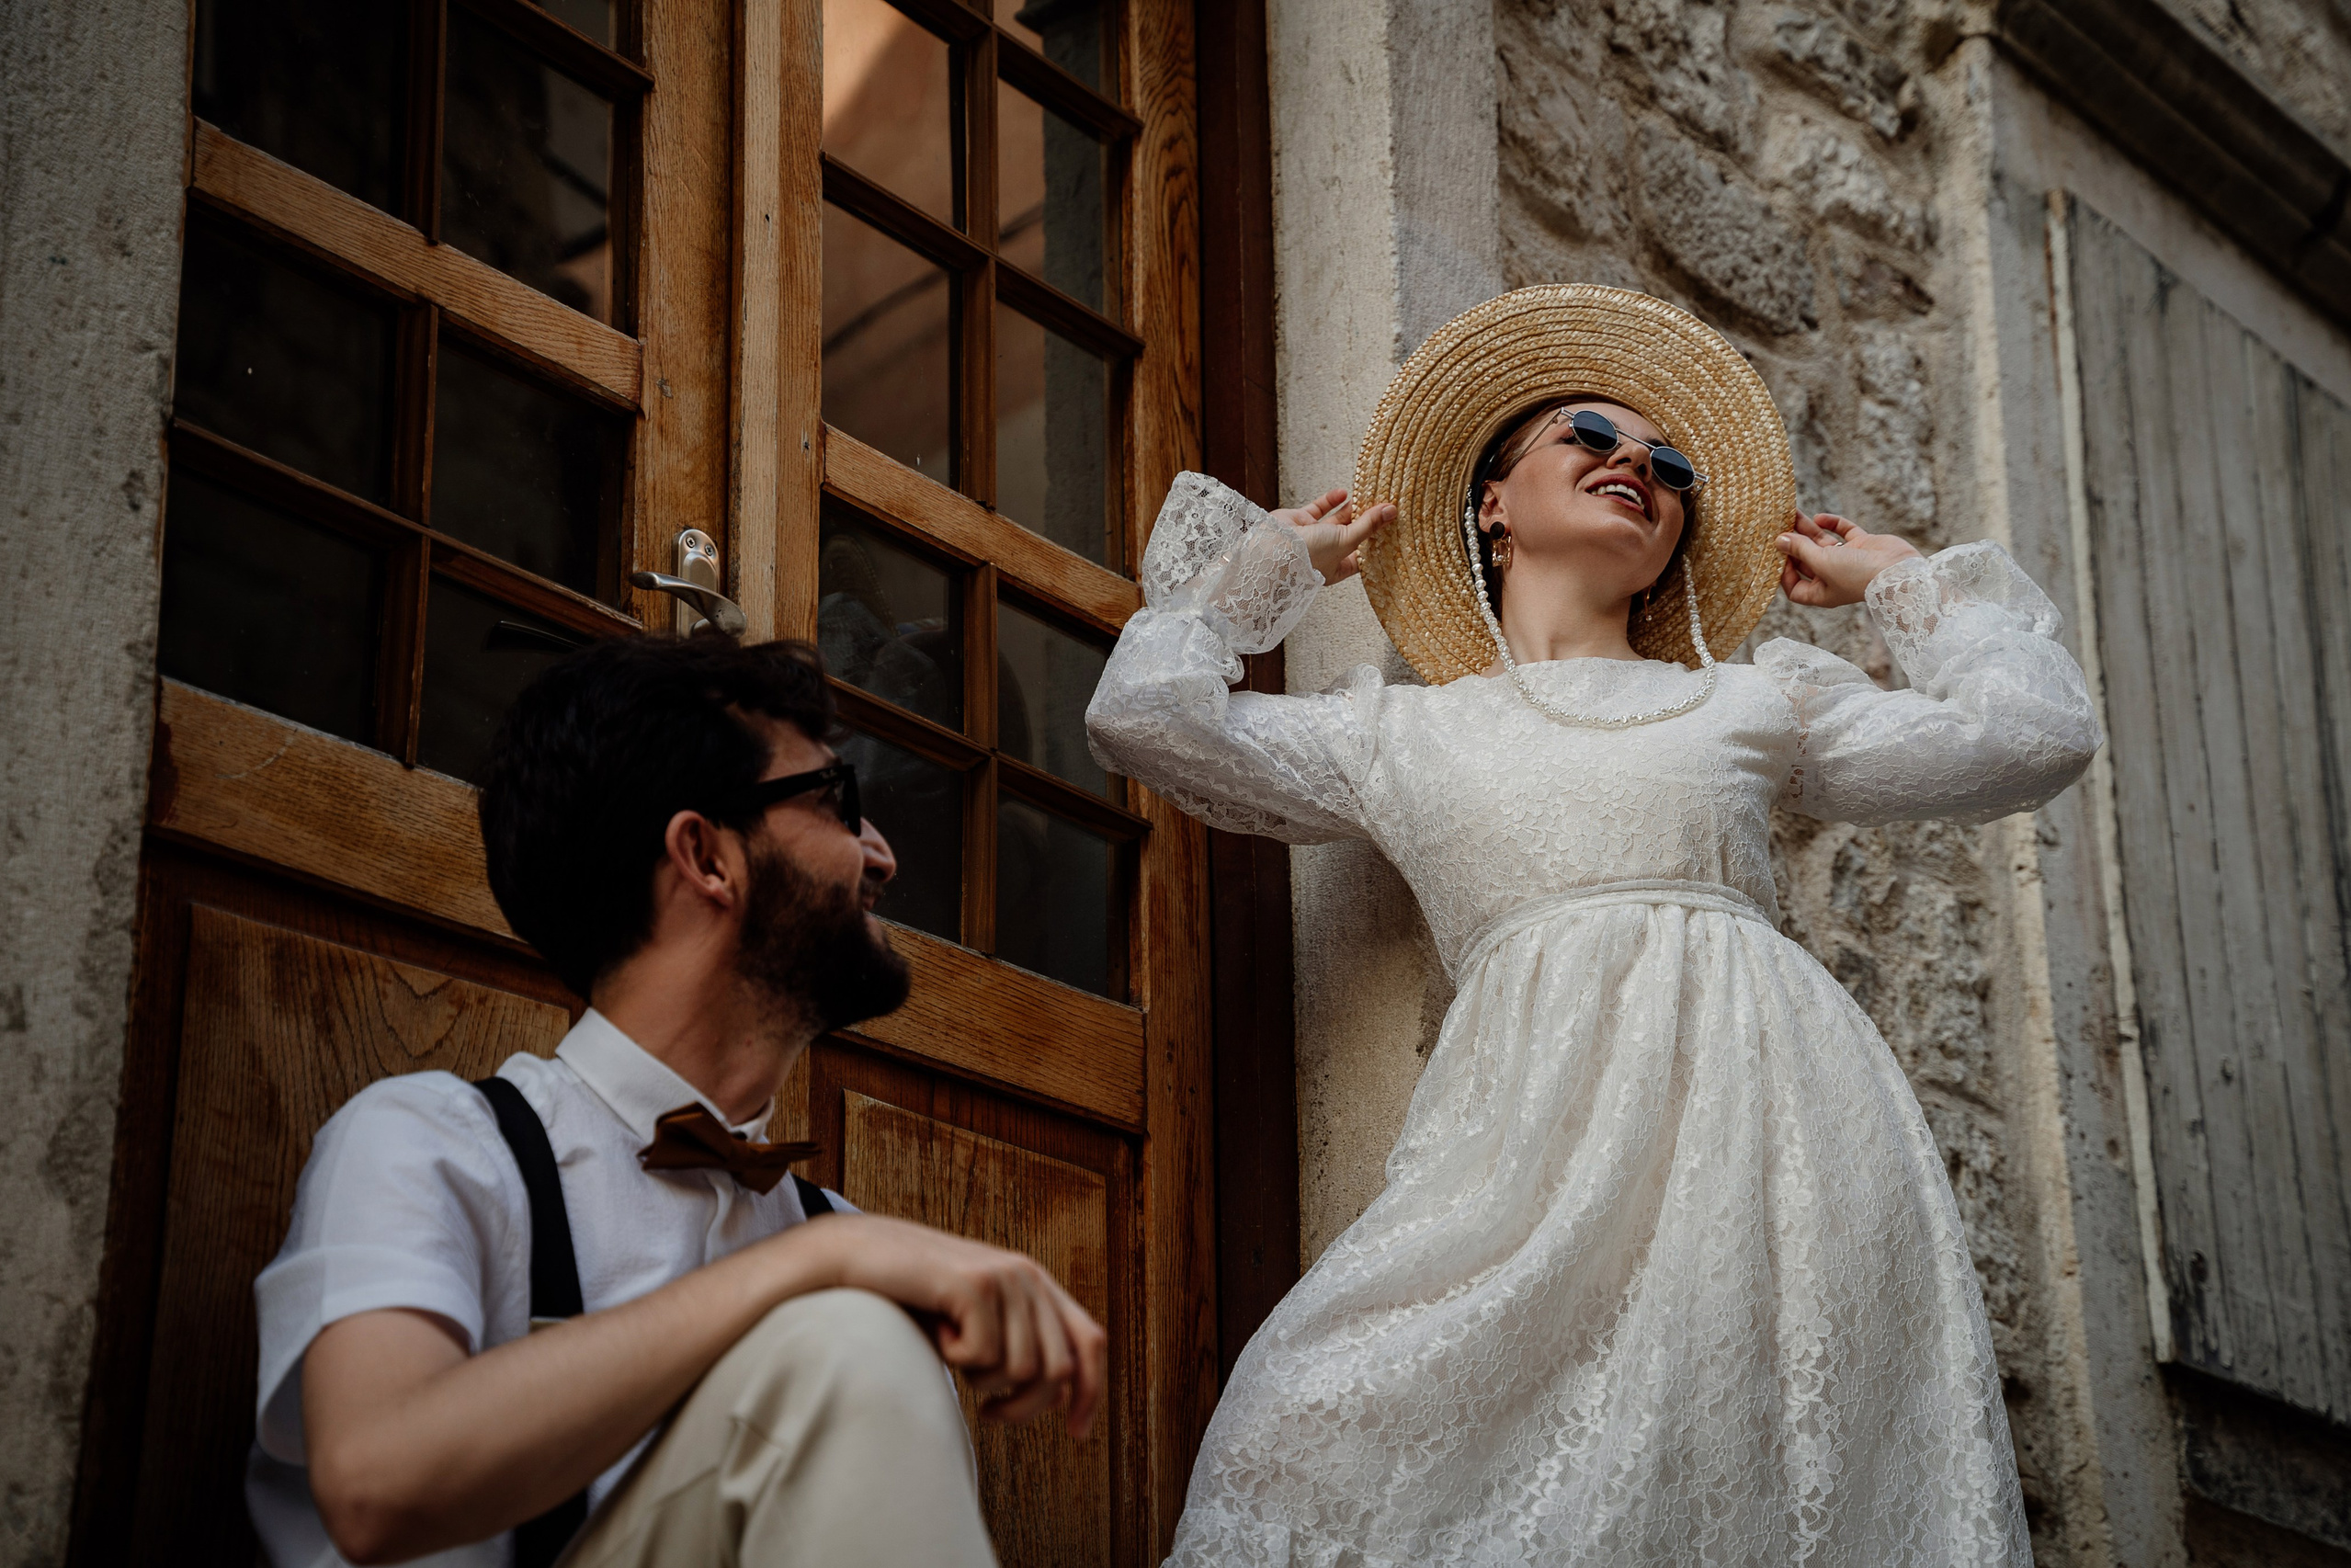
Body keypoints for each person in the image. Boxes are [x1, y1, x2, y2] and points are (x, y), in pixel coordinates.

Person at [1086, 284, 2101, 1565]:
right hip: (1521, 1147)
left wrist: (1903, 584)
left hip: (1769, 1132)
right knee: (1300, 1427)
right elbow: (1147, 722)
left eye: (1668, 464)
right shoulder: (1401, 731)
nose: (1636, 462)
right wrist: (1254, 579)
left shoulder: (1752, 698)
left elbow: (2033, 734)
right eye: (1588, 436)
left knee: (1739, 1466)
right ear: (1492, 504)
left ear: (1675, 535)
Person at [248, 633, 1106, 1567]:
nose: (882, 855)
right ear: (706, 856)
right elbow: (378, 1484)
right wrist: (819, 1263)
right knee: (852, 1337)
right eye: (837, 802)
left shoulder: (850, 1252)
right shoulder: (427, 1144)